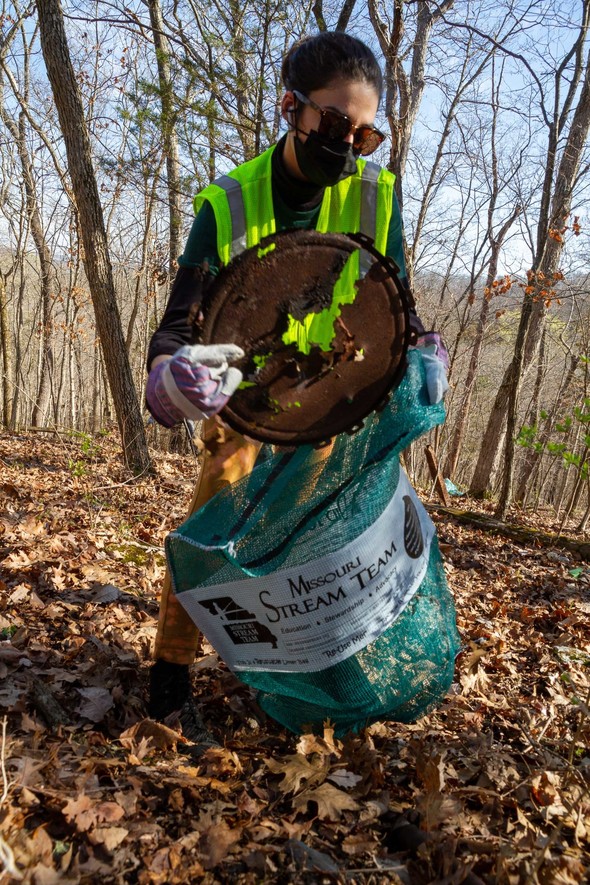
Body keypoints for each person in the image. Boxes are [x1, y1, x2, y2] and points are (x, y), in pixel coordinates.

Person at [144, 31, 450, 744]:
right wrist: (171, 378)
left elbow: (393, 299)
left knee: (334, 541)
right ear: (292, 108)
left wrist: (422, 351)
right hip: (246, 403)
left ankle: (319, 685)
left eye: (365, 133)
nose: (347, 145)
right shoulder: (228, 203)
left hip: (338, 394)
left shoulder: (377, 195)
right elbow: (175, 327)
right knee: (214, 525)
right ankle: (168, 677)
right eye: (334, 124)